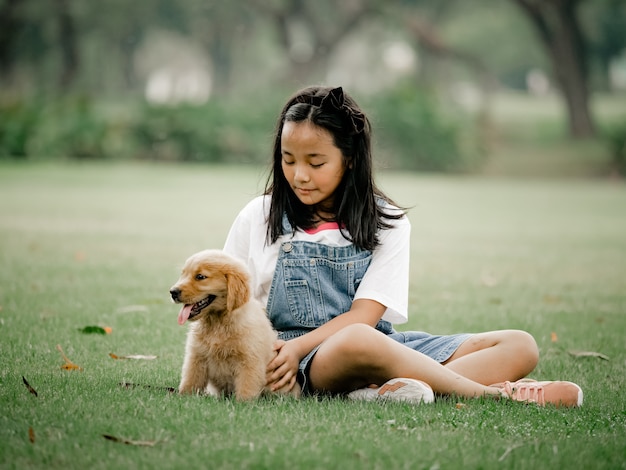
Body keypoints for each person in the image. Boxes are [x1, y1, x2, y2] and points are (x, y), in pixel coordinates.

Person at [223, 85, 583, 407]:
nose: (299, 175)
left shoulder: (387, 221)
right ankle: (492, 394)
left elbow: (366, 317)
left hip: (379, 345)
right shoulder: (260, 215)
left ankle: (385, 389)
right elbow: (226, 302)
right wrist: (284, 351)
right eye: (289, 160)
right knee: (357, 342)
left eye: (315, 162)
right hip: (294, 358)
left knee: (520, 345)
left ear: (349, 159)